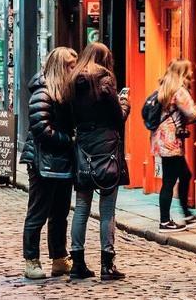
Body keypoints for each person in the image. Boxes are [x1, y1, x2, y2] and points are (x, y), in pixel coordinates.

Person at [69, 42, 129, 281]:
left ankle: (77, 263)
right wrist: (125, 103)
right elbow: (118, 117)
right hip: (106, 147)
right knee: (107, 209)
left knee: (81, 207)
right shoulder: (105, 78)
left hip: (83, 145)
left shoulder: (73, 80)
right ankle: (107, 263)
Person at [20, 47, 78, 280]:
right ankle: (31, 260)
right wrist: (70, 139)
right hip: (42, 162)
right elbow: (42, 129)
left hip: (62, 162)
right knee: (38, 213)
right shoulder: (43, 92)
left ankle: (59, 258)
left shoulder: (66, 91)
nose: (74, 69)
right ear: (60, 67)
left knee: (60, 213)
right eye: (70, 65)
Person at [150, 59, 196, 232]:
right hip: (170, 143)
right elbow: (191, 112)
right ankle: (165, 221)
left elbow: (179, 116)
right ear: (183, 73)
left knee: (184, 175)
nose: (192, 74)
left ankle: (186, 215)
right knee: (170, 181)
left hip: (161, 140)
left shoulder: (164, 89)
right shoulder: (179, 91)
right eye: (190, 71)